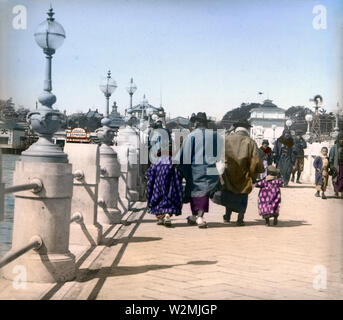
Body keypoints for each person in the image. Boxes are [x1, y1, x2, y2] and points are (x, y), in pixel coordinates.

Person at [177, 112, 222, 228]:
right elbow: (219, 154)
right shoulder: (215, 135)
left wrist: (182, 169)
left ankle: (196, 216)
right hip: (211, 168)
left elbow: (184, 156)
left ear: (197, 122)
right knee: (205, 192)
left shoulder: (191, 136)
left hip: (195, 169)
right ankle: (199, 216)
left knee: (194, 191)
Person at [220, 120, 264, 226]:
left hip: (228, 173)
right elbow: (256, 161)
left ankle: (227, 216)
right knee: (242, 196)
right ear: (247, 129)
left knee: (230, 194)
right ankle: (240, 219)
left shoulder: (226, 139)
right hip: (244, 174)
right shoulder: (250, 142)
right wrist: (253, 177)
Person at [146, 125, 183, 227]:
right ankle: (167, 214)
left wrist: (149, 175)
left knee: (157, 195)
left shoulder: (157, 154)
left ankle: (160, 217)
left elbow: (152, 170)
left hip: (158, 174)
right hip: (170, 173)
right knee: (170, 194)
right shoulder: (173, 150)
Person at [329, 131, 343, 198]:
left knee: (342, 179)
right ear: (338, 139)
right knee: (335, 179)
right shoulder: (334, 147)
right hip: (336, 166)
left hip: (342, 166)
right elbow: (331, 157)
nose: (342, 140)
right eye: (340, 139)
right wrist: (331, 166)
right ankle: (336, 192)